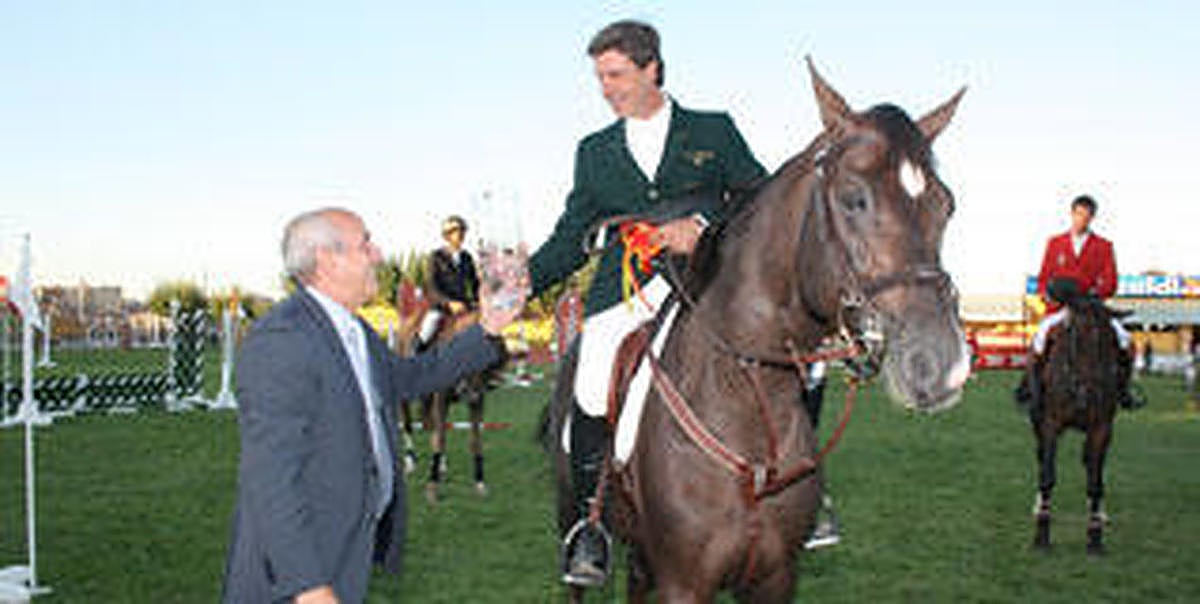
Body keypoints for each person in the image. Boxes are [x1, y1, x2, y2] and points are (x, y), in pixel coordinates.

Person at [525, 20, 766, 586]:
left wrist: (702, 225)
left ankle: (803, 492)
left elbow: (758, 197)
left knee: (792, 355)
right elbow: (571, 236)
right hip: (627, 288)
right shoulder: (594, 152)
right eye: (600, 78)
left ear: (651, 68)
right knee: (590, 379)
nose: (605, 88)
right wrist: (519, 283)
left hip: (709, 279)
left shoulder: (713, 129)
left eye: (615, 75)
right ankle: (589, 525)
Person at [222, 208, 523, 604]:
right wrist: (306, 586)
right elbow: (270, 478)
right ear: (328, 259)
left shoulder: (353, 330)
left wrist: (487, 328)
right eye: (366, 244)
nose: (378, 254)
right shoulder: (283, 338)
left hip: (344, 554)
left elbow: (410, 377)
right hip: (296, 578)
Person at [1015, 195, 1144, 410]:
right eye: (1078, 214)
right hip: (1062, 306)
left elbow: (1111, 281)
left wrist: (1092, 294)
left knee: (1125, 340)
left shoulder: (1104, 246)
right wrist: (1048, 294)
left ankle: (1124, 390)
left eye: (1085, 215)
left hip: (1091, 306)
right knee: (1040, 338)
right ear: (1071, 214)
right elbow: (1044, 277)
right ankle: (1030, 388)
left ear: (1092, 218)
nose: (1080, 219)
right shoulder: (1055, 243)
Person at [416, 215, 480, 350]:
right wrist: (448, 303)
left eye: (462, 231)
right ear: (447, 235)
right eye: (456, 231)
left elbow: (475, 284)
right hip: (441, 307)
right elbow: (432, 287)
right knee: (429, 327)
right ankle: (417, 353)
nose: (460, 234)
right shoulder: (436, 257)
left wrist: (480, 300)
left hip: (463, 305)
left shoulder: (467, 258)